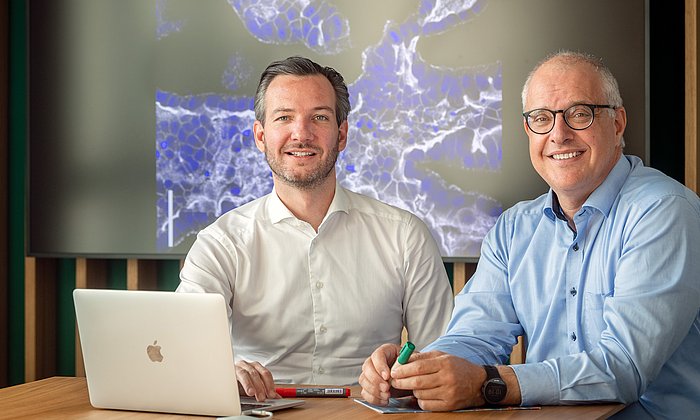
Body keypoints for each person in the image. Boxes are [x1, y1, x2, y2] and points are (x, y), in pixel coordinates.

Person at [359, 50, 700, 418]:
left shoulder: (663, 211)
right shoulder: (512, 229)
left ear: (617, 123)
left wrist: (486, 384)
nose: (559, 134)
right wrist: (421, 371)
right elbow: (475, 336)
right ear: (528, 130)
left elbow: (625, 367)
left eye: (579, 114)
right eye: (541, 118)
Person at [176, 56, 453, 401]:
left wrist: (408, 378)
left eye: (319, 117)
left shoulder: (405, 235)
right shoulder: (221, 242)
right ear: (261, 136)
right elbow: (181, 354)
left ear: (342, 134)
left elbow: (445, 358)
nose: (301, 134)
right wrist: (217, 372)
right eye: (284, 118)